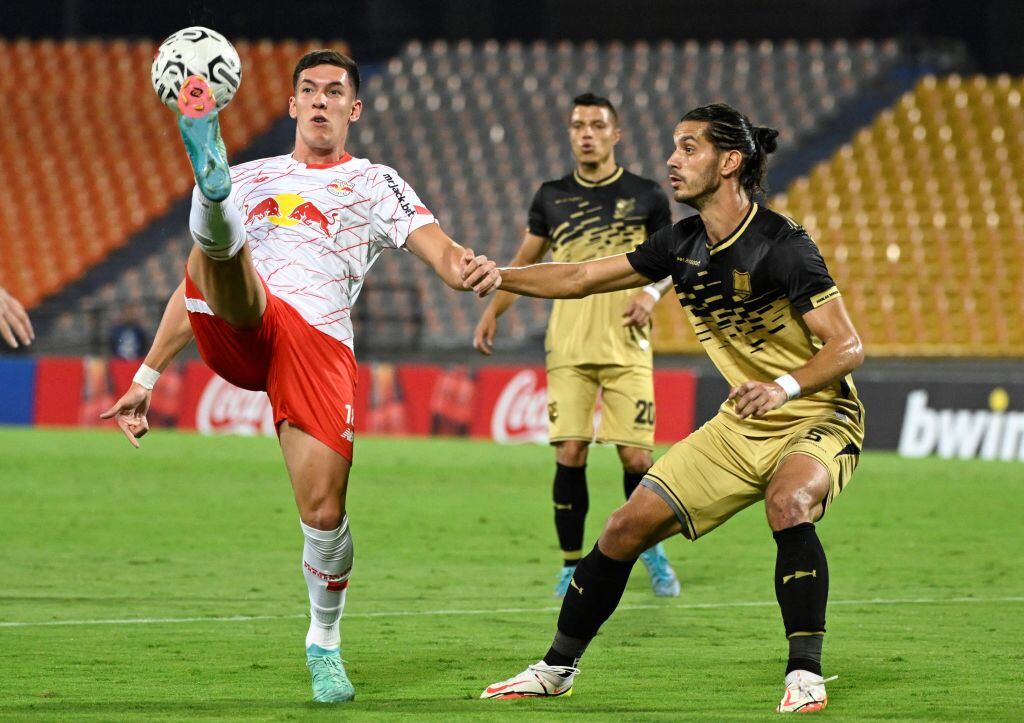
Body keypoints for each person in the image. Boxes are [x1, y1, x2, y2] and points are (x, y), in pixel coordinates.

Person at [101, 49, 500, 704]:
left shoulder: (376, 183)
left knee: (324, 512)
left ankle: (324, 640)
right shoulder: (255, 175)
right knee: (219, 256)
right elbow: (190, 287)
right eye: (308, 90)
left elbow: (447, 256)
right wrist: (147, 374)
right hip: (246, 318)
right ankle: (211, 187)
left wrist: (470, 270)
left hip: (314, 346)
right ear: (291, 105)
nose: (319, 100)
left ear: (354, 108)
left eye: (333, 91)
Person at [469, 103, 865, 713]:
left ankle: (805, 672)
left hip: (816, 414)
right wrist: (500, 277)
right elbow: (578, 277)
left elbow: (847, 346)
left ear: (729, 162)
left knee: (788, 504)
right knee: (623, 527)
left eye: (688, 148)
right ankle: (555, 667)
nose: (672, 161)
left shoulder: (783, 245)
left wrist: (782, 386)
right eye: (674, 148)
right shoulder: (680, 243)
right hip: (742, 423)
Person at [473, 93, 680, 598]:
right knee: (570, 451)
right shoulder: (551, 197)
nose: (586, 133)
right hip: (567, 344)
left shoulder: (648, 195)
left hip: (627, 343)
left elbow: (675, 257)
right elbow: (525, 262)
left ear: (616, 133)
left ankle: (650, 547)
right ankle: (571, 566)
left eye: (596, 125)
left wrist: (651, 295)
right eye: (577, 125)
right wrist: (492, 310)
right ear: (570, 134)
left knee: (635, 459)